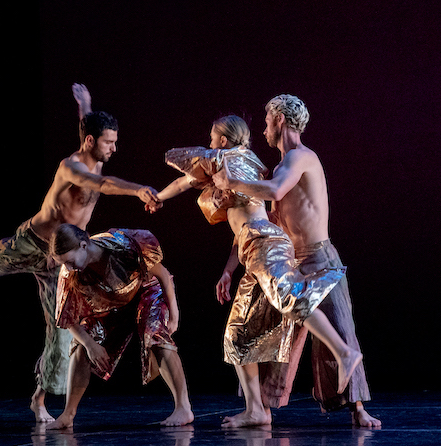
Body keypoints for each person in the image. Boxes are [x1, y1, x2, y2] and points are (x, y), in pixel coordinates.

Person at [0, 84, 162, 422]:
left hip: (62, 260)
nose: (114, 147)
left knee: (61, 327)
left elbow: (88, 129)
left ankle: (39, 400)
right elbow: (103, 184)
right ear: (90, 143)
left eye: (114, 141)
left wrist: (85, 105)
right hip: (34, 243)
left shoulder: (92, 151)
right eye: (109, 142)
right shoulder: (73, 168)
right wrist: (138, 190)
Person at [150, 115, 362, 428]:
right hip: (252, 250)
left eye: (213, 139)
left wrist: (158, 195)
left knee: (289, 296)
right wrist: (228, 269)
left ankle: (343, 353)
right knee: (237, 336)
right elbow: (197, 187)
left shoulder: (227, 158)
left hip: (265, 244)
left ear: (223, 141)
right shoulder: (244, 164)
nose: (209, 144)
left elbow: (185, 171)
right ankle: (256, 411)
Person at [212, 95, 380, 428]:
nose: (263, 127)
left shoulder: (301, 158)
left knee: (341, 330)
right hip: (288, 260)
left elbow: (274, 191)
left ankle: (358, 409)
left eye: (266, 120)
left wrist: (231, 183)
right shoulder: (278, 168)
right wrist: (229, 269)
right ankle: (261, 409)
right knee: (275, 336)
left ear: (280, 121)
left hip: (318, 256)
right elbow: (259, 223)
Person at [46, 223, 194, 429]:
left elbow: (164, 276)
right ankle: (68, 414)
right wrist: (91, 345)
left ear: (83, 245)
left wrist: (174, 315)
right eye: (64, 264)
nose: (68, 268)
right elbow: (68, 318)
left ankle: (183, 408)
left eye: (70, 261)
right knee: (80, 345)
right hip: (109, 304)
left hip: (145, 290)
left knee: (156, 334)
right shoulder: (69, 273)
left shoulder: (124, 246)